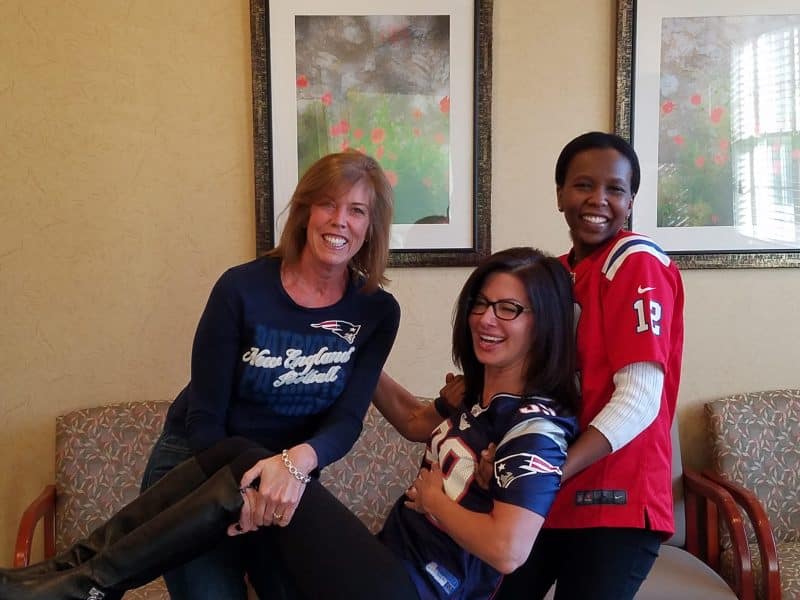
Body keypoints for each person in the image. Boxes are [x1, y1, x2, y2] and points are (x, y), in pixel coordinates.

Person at [0, 247, 580, 600]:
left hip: (414, 589)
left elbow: (509, 551)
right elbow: (410, 418)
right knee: (243, 459)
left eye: (509, 309)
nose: (486, 319)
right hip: (380, 563)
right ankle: (77, 574)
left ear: (545, 322)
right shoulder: (472, 399)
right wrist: (340, 346)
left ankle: (83, 581)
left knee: (253, 461)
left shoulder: (536, 427)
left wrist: (436, 501)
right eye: (480, 303)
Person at [75, 149, 403, 599]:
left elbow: (346, 420)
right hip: (199, 465)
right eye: (328, 204)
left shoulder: (377, 312)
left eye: (357, 210)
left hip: (286, 474)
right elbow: (204, 420)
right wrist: (246, 489)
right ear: (305, 211)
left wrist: (293, 467)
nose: (340, 220)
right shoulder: (241, 288)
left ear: (371, 226)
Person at [488, 132, 685, 599]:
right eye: (583, 185)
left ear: (631, 201)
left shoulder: (636, 262)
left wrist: (551, 472)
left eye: (615, 189)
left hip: (613, 497)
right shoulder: (554, 274)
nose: (598, 199)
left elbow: (640, 398)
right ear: (559, 195)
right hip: (550, 494)